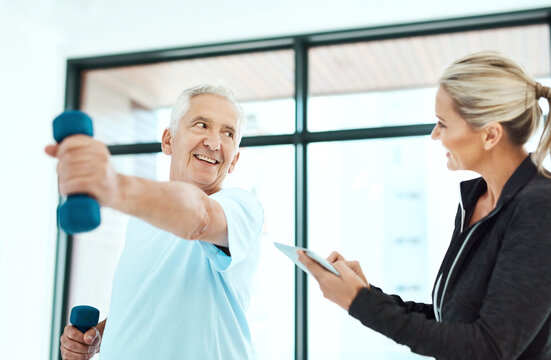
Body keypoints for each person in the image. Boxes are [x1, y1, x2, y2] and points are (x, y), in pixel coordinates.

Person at [299, 51, 551, 359]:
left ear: (490, 135)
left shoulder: (540, 208)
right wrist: (367, 295)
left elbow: (488, 348)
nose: (434, 135)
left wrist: (359, 303)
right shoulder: (477, 200)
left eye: (443, 124)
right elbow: (451, 320)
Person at [47, 85, 264, 359]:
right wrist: (102, 334)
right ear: (168, 140)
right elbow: (150, 299)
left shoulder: (242, 208)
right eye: (202, 125)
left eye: (228, 133)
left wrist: (112, 186)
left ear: (234, 160)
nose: (213, 142)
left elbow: (201, 218)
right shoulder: (142, 220)